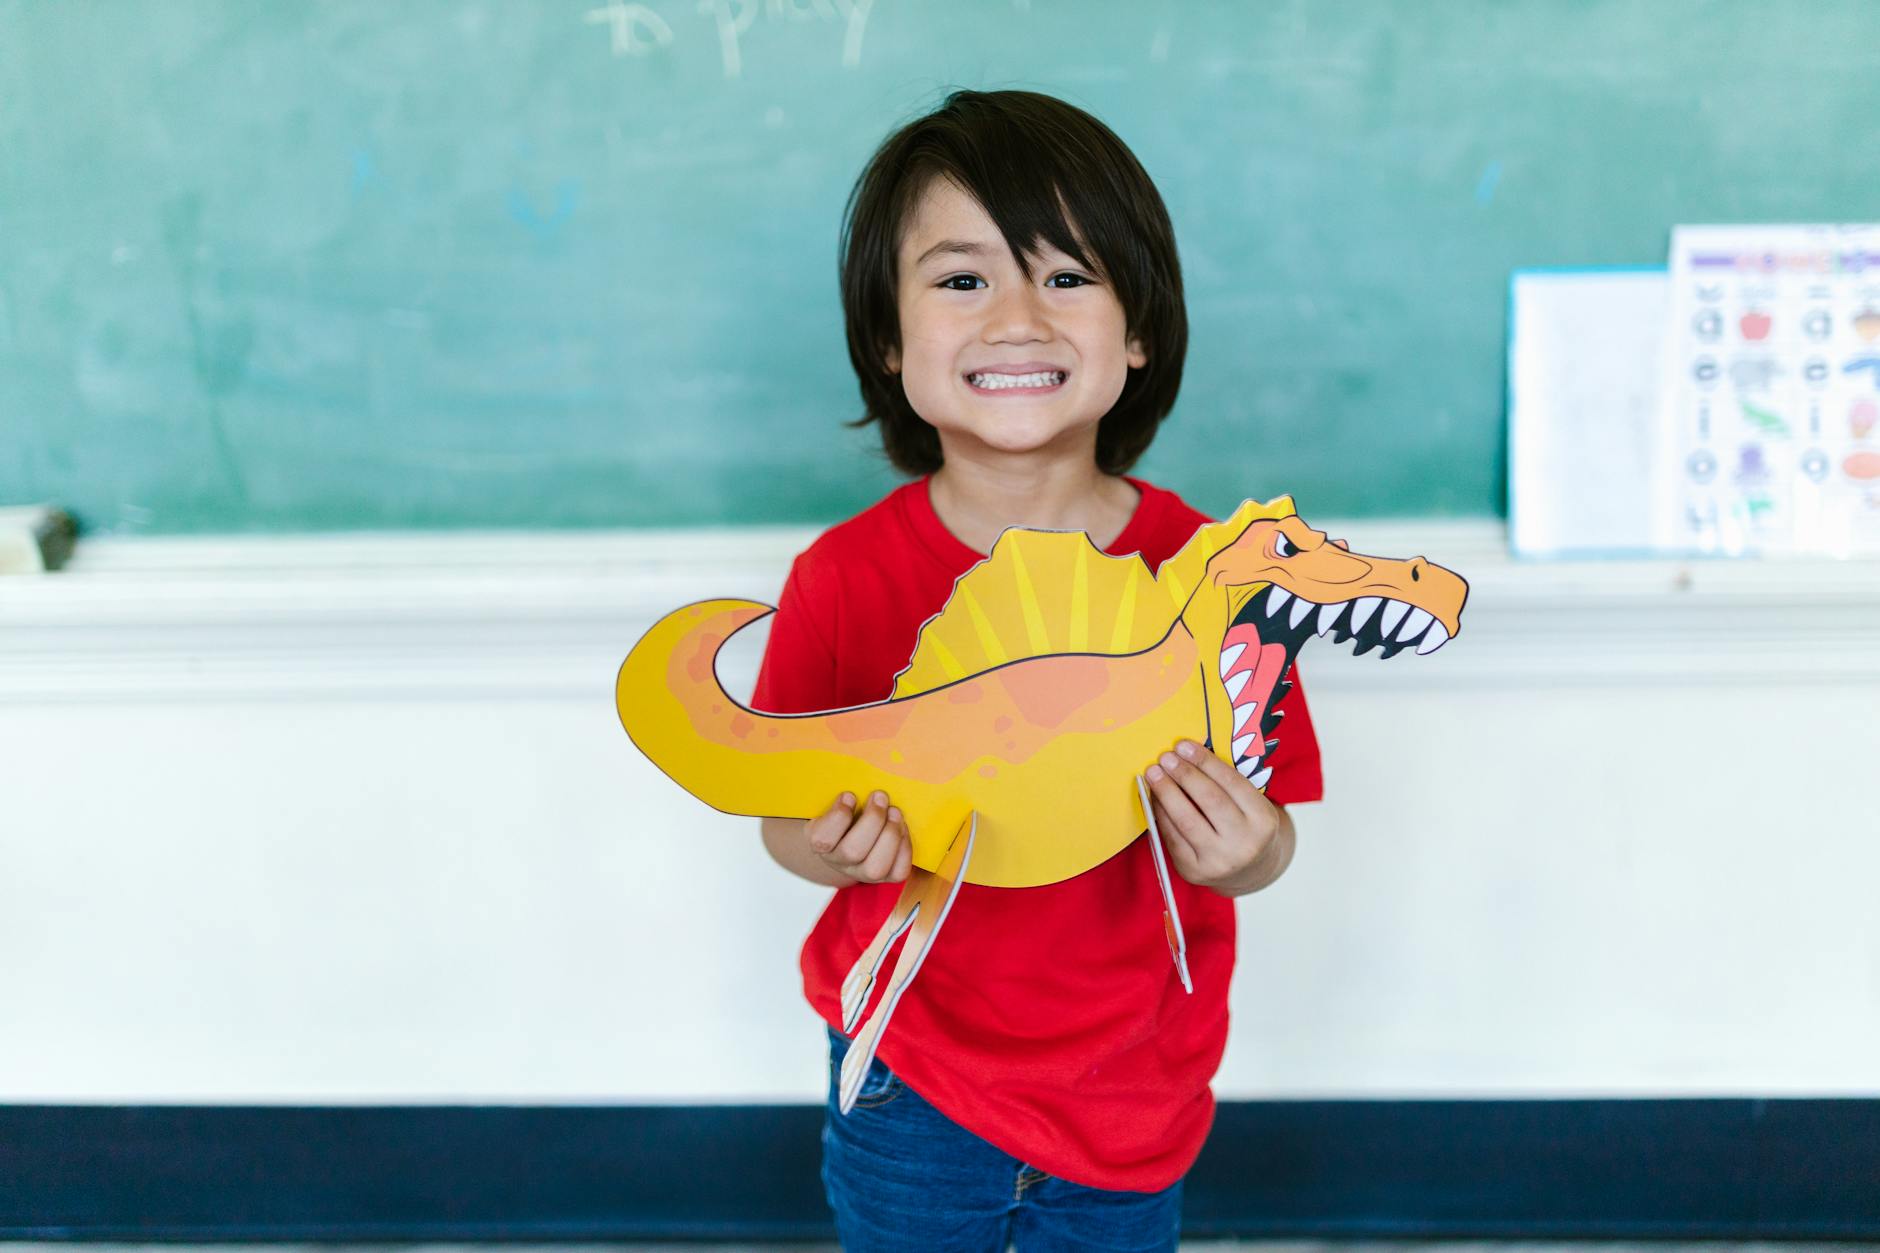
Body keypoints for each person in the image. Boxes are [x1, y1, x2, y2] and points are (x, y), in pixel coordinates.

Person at [752, 89, 1323, 1252]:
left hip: (1132, 1088)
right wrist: (831, 839)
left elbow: (1266, 833)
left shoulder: (1217, 576)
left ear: (1139, 329)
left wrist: (1248, 849)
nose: (1016, 316)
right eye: (961, 280)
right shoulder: (843, 577)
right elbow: (781, 815)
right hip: (907, 1078)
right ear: (886, 335)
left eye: (1067, 277)